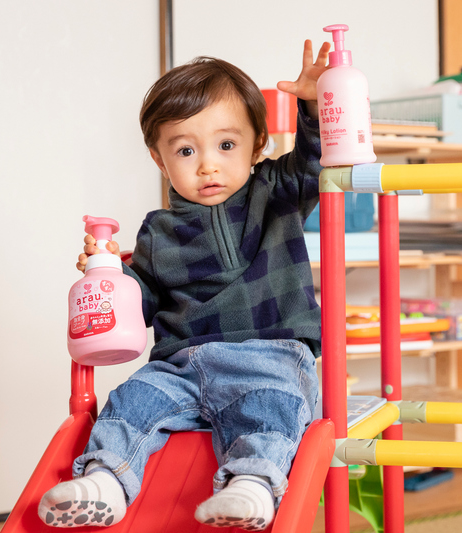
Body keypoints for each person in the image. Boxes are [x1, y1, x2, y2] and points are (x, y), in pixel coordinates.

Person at [38, 39, 330, 531]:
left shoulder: (276, 193)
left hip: (270, 355)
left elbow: (315, 161)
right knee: (131, 400)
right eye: (186, 149)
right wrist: (107, 277)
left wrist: (315, 108)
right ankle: (106, 480)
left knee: (270, 407)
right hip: (181, 367)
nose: (208, 164)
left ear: (258, 143)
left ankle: (253, 486)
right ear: (160, 158)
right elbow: (140, 302)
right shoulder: (158, 231)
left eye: (227, 145)